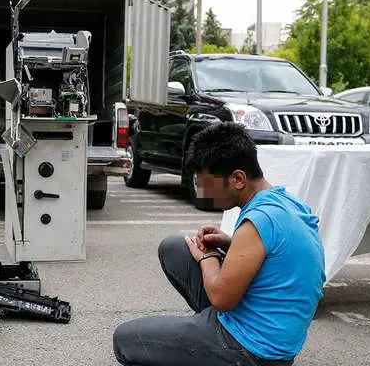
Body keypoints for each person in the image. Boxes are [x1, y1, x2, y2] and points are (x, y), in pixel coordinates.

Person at [112, 122, 326, 366]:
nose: (203, 193)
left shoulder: (257, 222)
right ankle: (201, 339)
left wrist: (208, 257)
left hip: (253, 350)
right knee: (174, 248)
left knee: (125, 341)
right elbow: (278, 259)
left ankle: (214, 348)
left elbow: (223, 299)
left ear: (237, 179)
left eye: (207, 184)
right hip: (272, 331)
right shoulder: (284, 203)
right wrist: (229, 243)